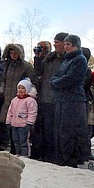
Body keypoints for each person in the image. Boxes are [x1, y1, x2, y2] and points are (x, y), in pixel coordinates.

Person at [50, 34, 88, 167]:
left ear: (76, 45)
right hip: (62, 99)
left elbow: (70, 78)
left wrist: (56, 83)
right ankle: (61, 157)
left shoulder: (80, 59)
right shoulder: (65, 61)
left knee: (70, 131)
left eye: (68, 44)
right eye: (64, 44)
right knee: (60, 130)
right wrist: (56, 82)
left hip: (74, 100)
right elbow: (56, 77)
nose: (65, 47)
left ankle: (71, 159)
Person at [31, 33, 68, 162]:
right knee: (40, 129)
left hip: (55, 100)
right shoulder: (49, 59)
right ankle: (41, 153)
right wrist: (38, 58)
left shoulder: (66, 60)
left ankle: (52, 156)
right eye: (55, 42)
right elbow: (37, 75)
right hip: (43, 98)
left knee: (52, 130)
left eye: (57, 42)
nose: (55, 44)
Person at [0, 44, 35, 152]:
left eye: (15, 52)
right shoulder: (7, 65)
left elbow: (32, 80)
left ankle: (20, 149)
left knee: (20, 125)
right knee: (7, 123)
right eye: (11, 52)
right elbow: (3, 80)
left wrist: (26, 94)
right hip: (7, 98)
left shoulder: (26, 66)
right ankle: (8, 145)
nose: (13, 55)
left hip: (21, 99)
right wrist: (1, 91)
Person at [6, 79, 38, 157]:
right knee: (15, 140)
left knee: (23, 141)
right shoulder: (14, 100)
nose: (20, 90)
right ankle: (18, 153)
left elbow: (32, 113)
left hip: (24, 125)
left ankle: (25, 155)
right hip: (14, 124)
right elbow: (10, 111)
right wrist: (8, 121)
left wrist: (30, 123)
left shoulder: (30, 101)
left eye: (23, 88)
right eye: (19, 88)